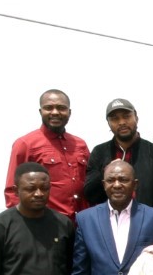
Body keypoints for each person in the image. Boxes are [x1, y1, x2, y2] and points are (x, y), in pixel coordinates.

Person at [5, 89, 91, 220]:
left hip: (81, 223)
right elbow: (12, 190)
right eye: (49, 108)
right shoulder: (25, 144)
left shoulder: (80, 144)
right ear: (41, 111)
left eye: (61, 108)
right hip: (45, 224)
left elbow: (90, 183)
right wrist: (20, 224)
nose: (55, 112)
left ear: (69, 112)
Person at [84, 98, 153, 207]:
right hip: (109, 219)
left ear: (136, 117)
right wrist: (106, 170)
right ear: (108, 123)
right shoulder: (99, 152)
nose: (122, 122)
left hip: (146, 218)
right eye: (115, 119)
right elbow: (89, 193)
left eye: (127, 116)